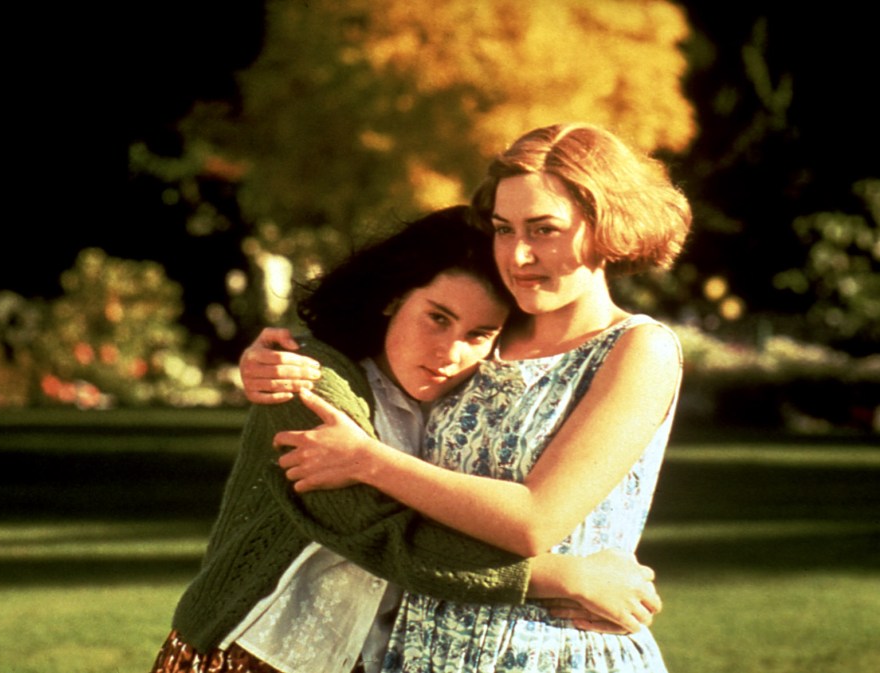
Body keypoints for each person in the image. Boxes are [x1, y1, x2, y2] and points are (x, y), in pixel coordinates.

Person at [250, 123, 691, 672]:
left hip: (551, 653)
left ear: (607, 225)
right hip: (417, 651)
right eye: (504, 230)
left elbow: (533, 522)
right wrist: (269, 357)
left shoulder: (636, 350)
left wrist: (367, 461)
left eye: (543, 230)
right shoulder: (484, 333)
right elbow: (374, 350)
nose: (519, 255)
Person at [151, 206, 663, 673]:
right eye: (437, 318)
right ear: (394, 297)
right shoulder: (306, 381)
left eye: (478, 334)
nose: (449, 352)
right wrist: (566, 579)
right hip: (245, 654)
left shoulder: (464, 405)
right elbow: (382, 535)